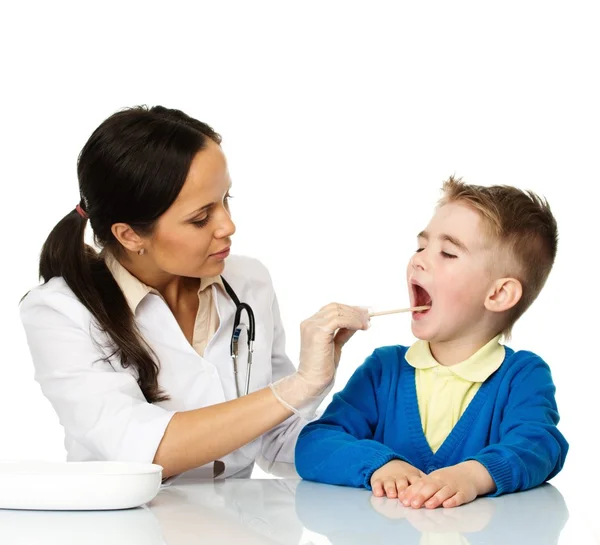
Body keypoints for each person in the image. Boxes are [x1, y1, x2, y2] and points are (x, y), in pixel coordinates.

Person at [19, 105, 369, 482]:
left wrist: (380, 456)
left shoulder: (250, 282)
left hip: (239, 530)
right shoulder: (60, 313)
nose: (228, 226)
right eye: (200, 218)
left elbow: (274, 437)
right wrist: (299, 385)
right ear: (130, 235)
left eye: (226, 200)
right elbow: (146, 451)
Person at [295, 177, 568, 508]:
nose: (419, 260)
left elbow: (540, 446)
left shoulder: (523, 376)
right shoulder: (383, 371)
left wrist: (473, 474)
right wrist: (382, 465)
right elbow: (315, 443)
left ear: (498, 294)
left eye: (448, 253)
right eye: (421, 246)